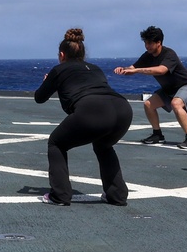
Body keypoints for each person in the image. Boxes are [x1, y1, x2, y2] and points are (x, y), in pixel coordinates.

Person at [34, 29, 133, 206]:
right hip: (123, 109)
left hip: (93, 109)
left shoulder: (59, 69)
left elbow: (39, 98)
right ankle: (116, 195)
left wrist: (48, 82)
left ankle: (60, 195)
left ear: (62, 55)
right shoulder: (95, 69)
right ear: (82, 52)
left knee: (56, 143)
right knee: (104, 145)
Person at [114, 26, 187, 149]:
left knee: (176, 103)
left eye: (149, 43)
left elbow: (161, 70)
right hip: (169, 89)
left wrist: (137, 70)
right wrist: (123, 69)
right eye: (145, 43)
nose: (147, 46)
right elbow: (132, 67)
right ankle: (157, 135)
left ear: (158, 42)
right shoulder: (147, 55)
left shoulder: (169, 54)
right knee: (148, 104)